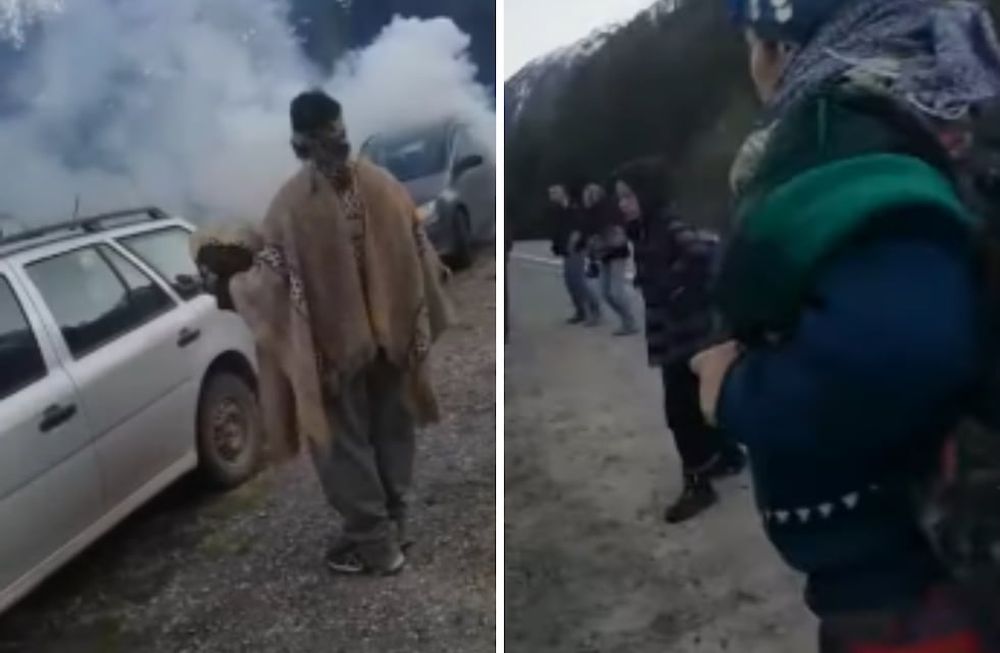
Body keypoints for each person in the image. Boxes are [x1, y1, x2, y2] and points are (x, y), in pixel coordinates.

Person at [691, 0, 1000, 650]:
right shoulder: (953, 97)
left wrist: (734, 390)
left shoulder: (841, 122)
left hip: (910, 571)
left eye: (752, 45)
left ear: (781, 46)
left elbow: (900, 347)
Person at [191, 89, 453, 576]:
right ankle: (396, 525)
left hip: (333, 352)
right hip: (394, 340)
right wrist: (414, 311)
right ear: (342, 128)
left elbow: (270, 283)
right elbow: (420, 253)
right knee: (393, 432)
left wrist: (228, 286)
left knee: (343, 447)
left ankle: (376, 547)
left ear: (297, 142)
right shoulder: (384, 184)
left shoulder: (290, 205)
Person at [611, 158, 745, 523]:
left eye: (628, 196)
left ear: (647, 194)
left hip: (687, 338)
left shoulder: (667, 225)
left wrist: (671, 289)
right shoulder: (644, 229)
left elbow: (703, 255)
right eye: (620, 198)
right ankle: (728, 456)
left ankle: (698, 484)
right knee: (700, 402)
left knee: (680, 415)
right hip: (674, 334)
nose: (623, 204)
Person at [582, 182, 638, 335]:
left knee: (615, 291)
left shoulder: (608, 209)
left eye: (590, 194)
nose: (587, 198)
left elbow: (616, 232)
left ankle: (629, 321)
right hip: (604, 255)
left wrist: (600, 241)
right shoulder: (591, 213)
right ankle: (627, 320)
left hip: (616, 253)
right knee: (605, 292)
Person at [548, 184, 601, 325]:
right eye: (551, 193)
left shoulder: (575, 207)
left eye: (554, 192)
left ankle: (594, 310)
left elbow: (581, 226)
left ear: (563, 193)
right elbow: (558, 230)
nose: (551, 196)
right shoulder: (558, 210)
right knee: (570, 281)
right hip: (566, 249)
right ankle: (581, 311)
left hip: (577, 247)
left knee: (578, 281)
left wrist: (576, 240)